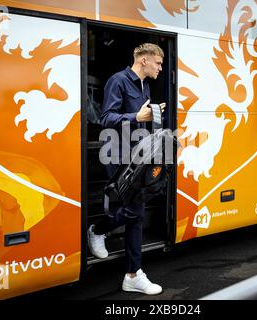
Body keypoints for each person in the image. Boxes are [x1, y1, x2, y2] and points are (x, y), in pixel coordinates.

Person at [88, 43, 166, 295]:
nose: (160, 68)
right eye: (158, 63)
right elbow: (106, 118)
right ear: (143, 60)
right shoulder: (118, 81)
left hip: (137, 156)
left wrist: (152, 118)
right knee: (136, 211)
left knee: (135, 211)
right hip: (117, 155)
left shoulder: (145, 86)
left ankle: (129, 269)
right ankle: (128, 268)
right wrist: (136, 117)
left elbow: (137, 120)